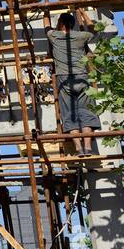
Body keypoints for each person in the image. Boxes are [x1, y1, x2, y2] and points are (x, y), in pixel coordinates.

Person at [47, 10, 101, 156]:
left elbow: (48, 28)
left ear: (61, 24)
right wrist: (83, 13)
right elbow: (95, 29)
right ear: (72, 24)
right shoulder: (81, 36)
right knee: (87, 113)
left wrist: (50, 18)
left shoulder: (54, 36)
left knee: (69, 114)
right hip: (82, 77)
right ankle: (88, 148)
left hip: (64, 79)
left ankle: (79, 149)